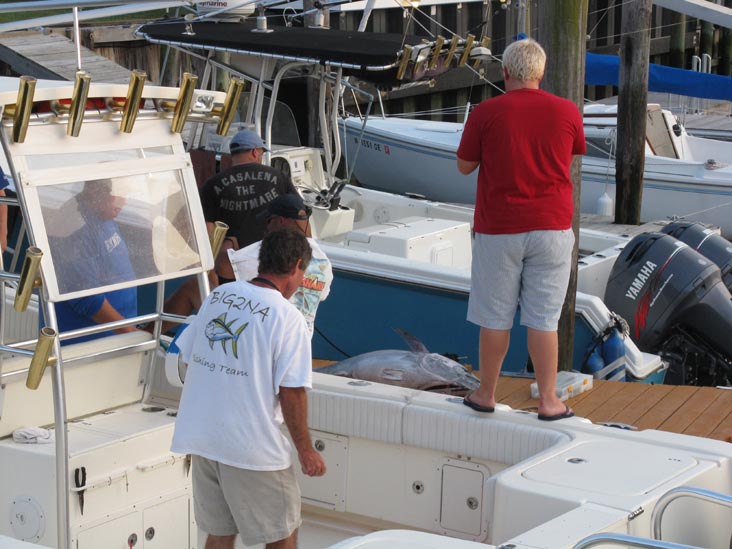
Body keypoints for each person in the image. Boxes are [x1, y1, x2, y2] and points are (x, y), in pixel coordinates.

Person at [456, 38, 586, 421]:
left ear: (506, 72)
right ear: (541, 73)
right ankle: (549, 400)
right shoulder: (566, 111)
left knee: (495, 317)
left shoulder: (486, 112)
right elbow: (572, 154)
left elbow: (464, 166)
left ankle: (485, 393)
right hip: (552, 226)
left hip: (500, 227)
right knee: (544, 319)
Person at [171, 229, 326, 549]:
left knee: (220, 533)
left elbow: (188, 357)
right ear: (297, 266)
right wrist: (305, 450)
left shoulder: (218, 297)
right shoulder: (289, 317)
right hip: (252, 449)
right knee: (282, 535)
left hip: (202, 440)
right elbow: (292, 391)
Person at [228, 193, 333, 338]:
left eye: (269, 220)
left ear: (281, 221)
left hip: (262, 342)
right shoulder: (324, 263)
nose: (267, 226)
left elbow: (227, 274)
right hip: (301, 344)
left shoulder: (253, 253)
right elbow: (321, 296)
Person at [200, 129, 298, 283]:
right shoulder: (279, 177)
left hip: (232, 265)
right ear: (254, 151)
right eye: (261, 153)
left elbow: (208, 228)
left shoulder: (211, 184)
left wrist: (210, 270)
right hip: (270, 261)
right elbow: (298, 213)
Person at [51, 180, 139, 343]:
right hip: (88, 346)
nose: (124, 201)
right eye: (119, 195)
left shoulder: (102, 214)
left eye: (126, 195)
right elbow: (86, 298)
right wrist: (131, 333)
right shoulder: (72, 227)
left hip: (118, 337)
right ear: (94, 191)